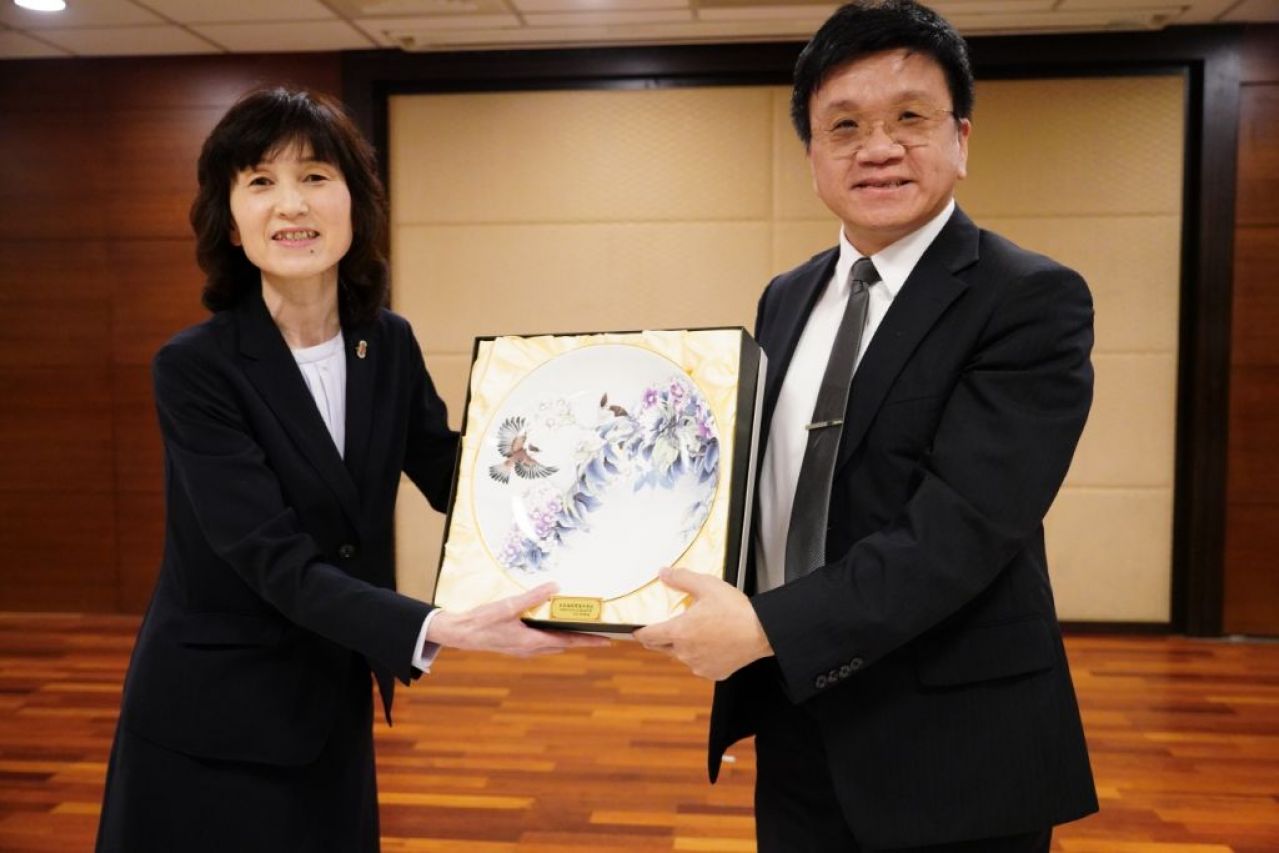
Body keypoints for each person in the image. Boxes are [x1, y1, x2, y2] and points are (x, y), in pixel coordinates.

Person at [635, 2, 1099, 850]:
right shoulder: (786, 295)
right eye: (843, 125)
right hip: (793, 706)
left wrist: (767, 626)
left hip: (952, 734)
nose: (876, 147)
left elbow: (961, 527)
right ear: (811, 154)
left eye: (909, 118)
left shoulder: (1028, 298)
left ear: (960, 138)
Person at [96, 87, 604, 853]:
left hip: (332, 697)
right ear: (229, 221)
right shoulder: (195, 368)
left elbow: (454, 473)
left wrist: (595, 497)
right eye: (260, 181)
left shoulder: (386, 342)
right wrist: (439, 625)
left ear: (355, 205)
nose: (290, 204)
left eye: (314, 176)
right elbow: (272, 559)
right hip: (214, 718)